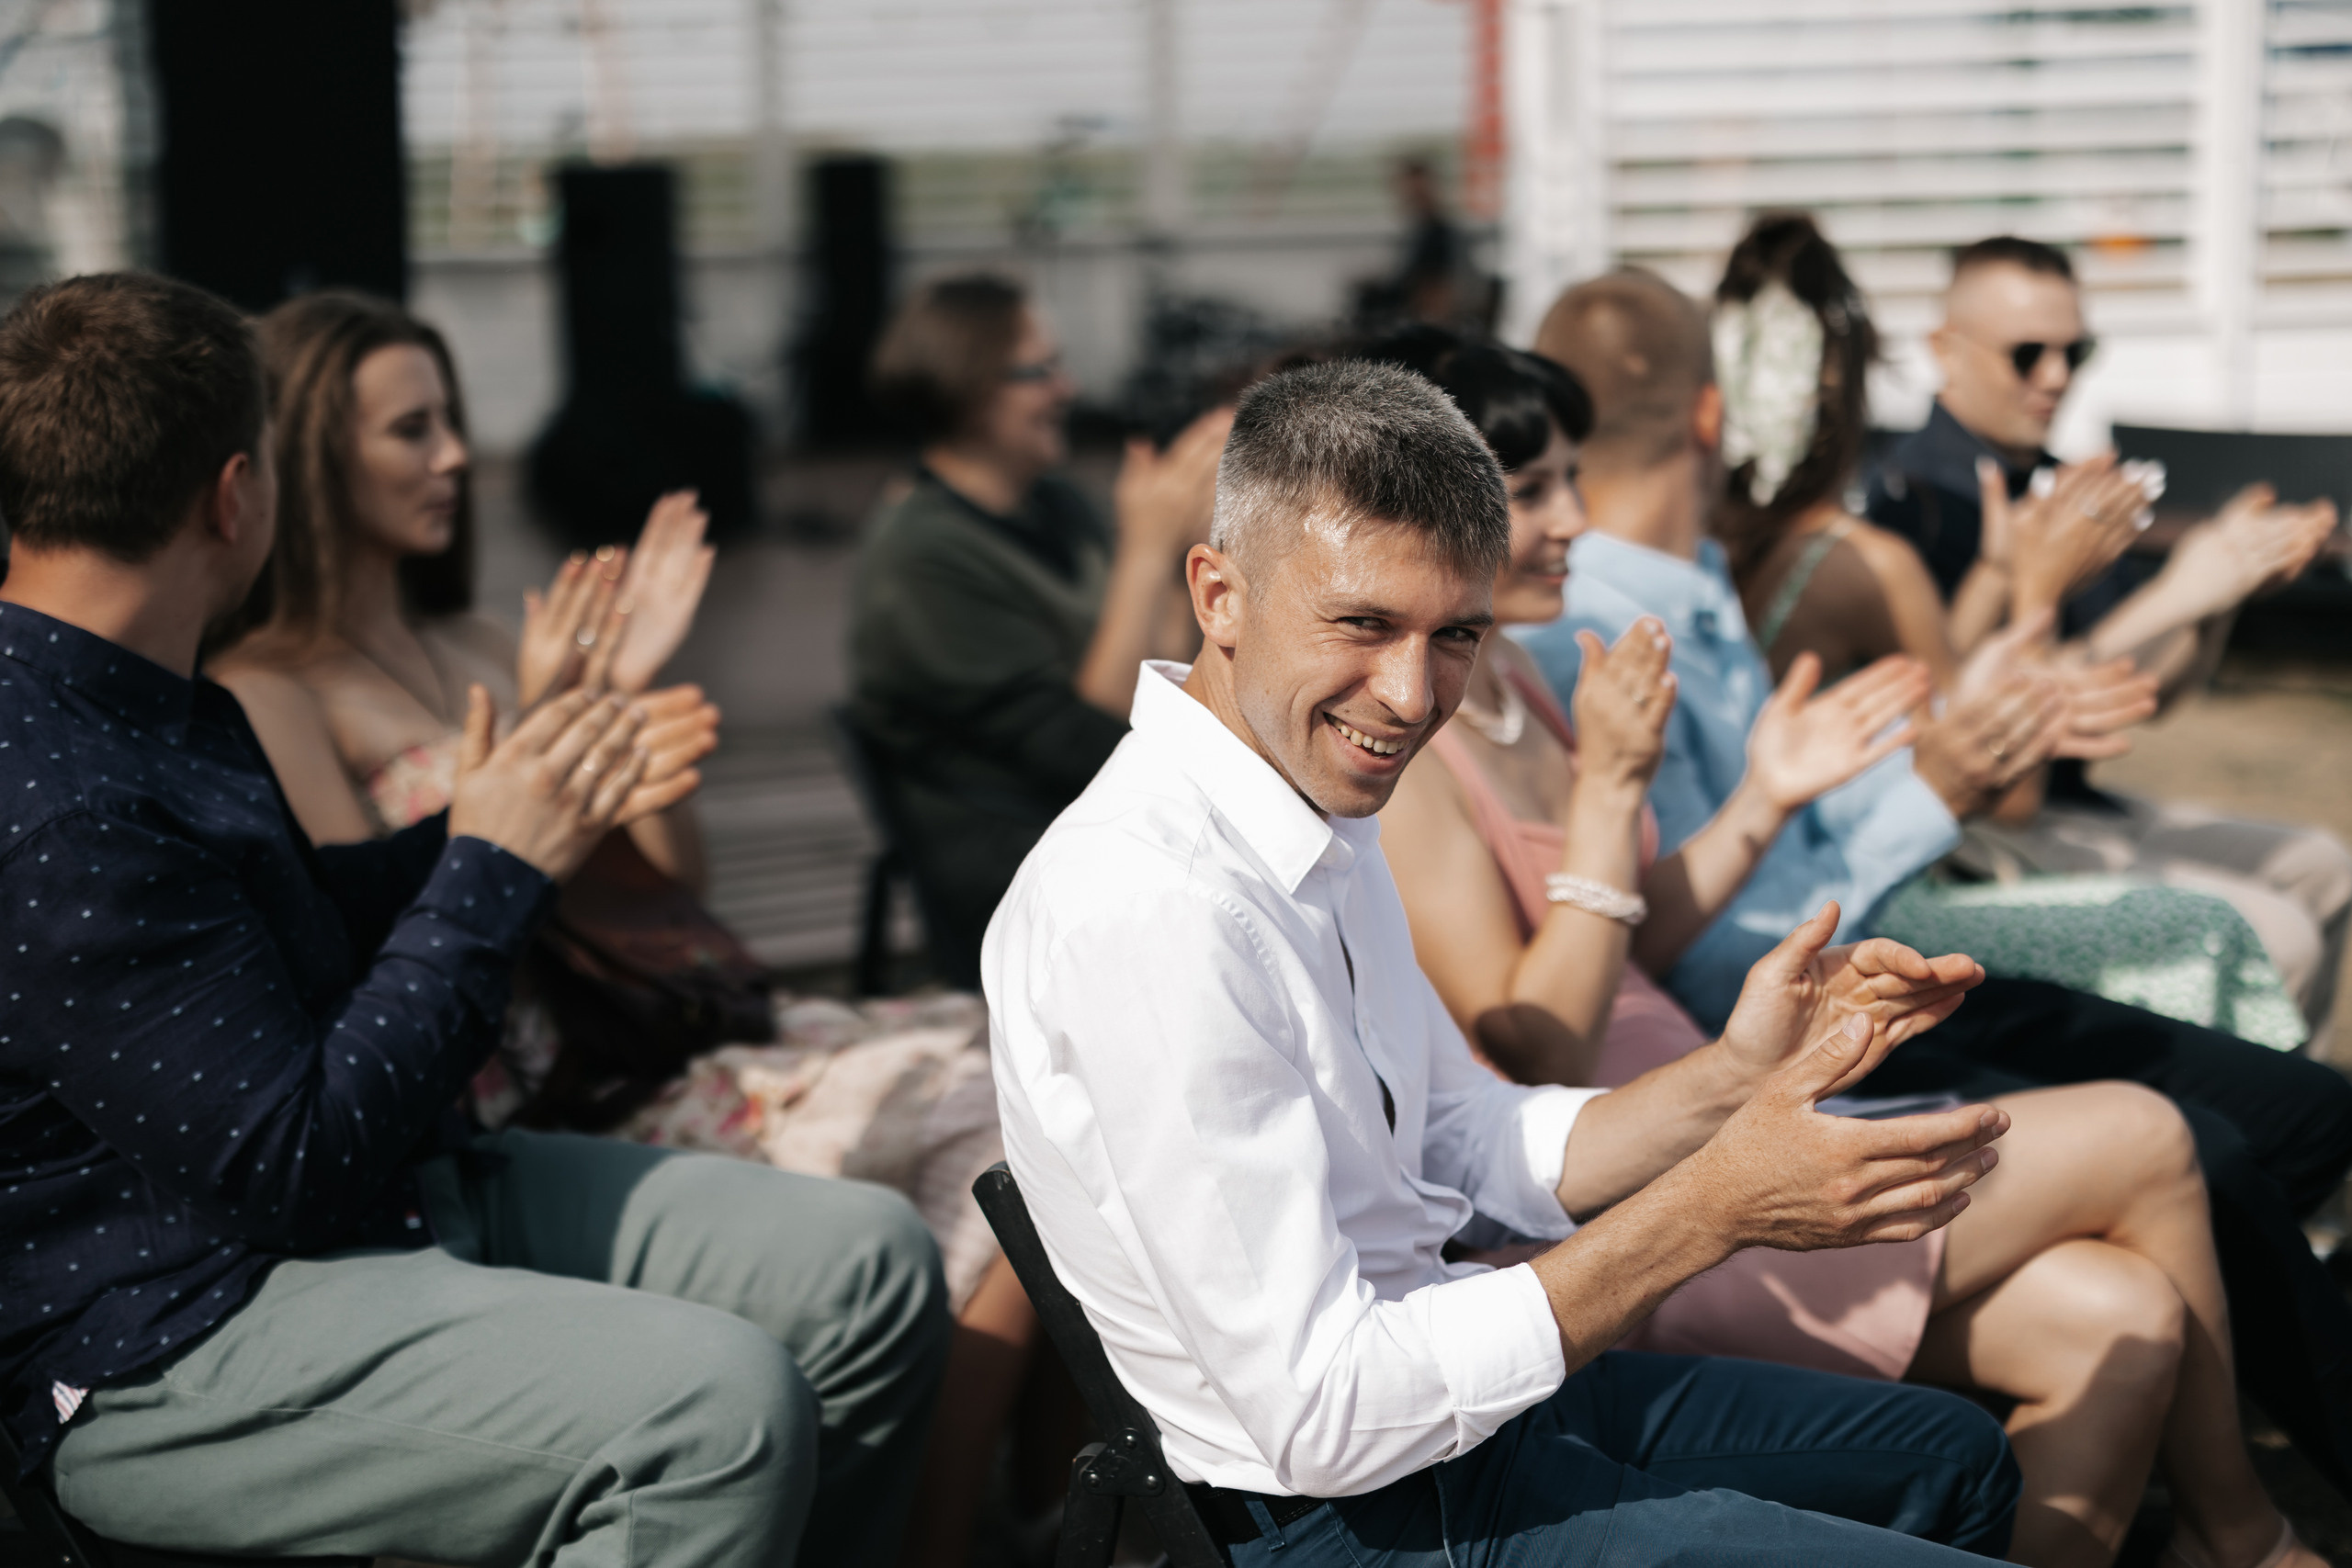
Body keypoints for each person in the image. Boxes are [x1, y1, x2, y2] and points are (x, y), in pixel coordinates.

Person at [991, 355, 2043, 1567]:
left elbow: (1463, 1132)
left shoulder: (1307, 809)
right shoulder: (1152, 908)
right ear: (1217, 594)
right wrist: (1712, 1204)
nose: (1409, 693)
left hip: (1452, 1411)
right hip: (1341, 1512)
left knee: (1958, 1457)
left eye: (1455, 635)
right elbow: (1323, 1411)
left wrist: (1734, 1075)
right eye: (1364, 623)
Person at [0, 272, 951, 1565]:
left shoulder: (142, 697)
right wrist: (493, 864)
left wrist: (501, 816)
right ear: (236, 494)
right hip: (169, 1328)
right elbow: (291, 1158)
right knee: (714, 1415)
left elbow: (287, 947)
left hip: (374, 1197)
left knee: (871, 1267)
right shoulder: (61, 798)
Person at [1373, 327, 2317, 1565]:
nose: (1575, 518)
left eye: (1570, 477)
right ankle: (2244, 1532)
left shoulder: (1517, 677)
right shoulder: (1415, 744)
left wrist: (1761, 795)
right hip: (1610, 1187)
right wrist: (1609, 795)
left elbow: (1630, 935)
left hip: (1709, 1100)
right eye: (1534, 484)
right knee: (2151, 1133)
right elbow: (1539, 1032)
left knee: (2121, 1315)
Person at [1861, 234, 2351, 1046]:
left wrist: (2219, 591)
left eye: (2075, 349)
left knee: (2325, 864)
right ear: (1944, 350)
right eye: (2029, 353)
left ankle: (2304, 1136)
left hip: (2071, 800)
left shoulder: (2064, 479)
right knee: (2277, 932)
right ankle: (2256, 1141)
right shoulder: (1910, 504)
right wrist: (2175, 592)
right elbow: (1987, 707)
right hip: (1979, 827)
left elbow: (2143, 693)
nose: (2057, 375)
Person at [848, 272, 1230, 987]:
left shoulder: (1051, 502)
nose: (1068, 388)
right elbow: (1092, 753)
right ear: (967, 388)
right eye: (1040, 370)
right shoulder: (919, 558)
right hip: (1031, 870)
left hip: (1111, 828)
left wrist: (1183, 552)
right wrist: (1147, 553)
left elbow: (1167, 679)